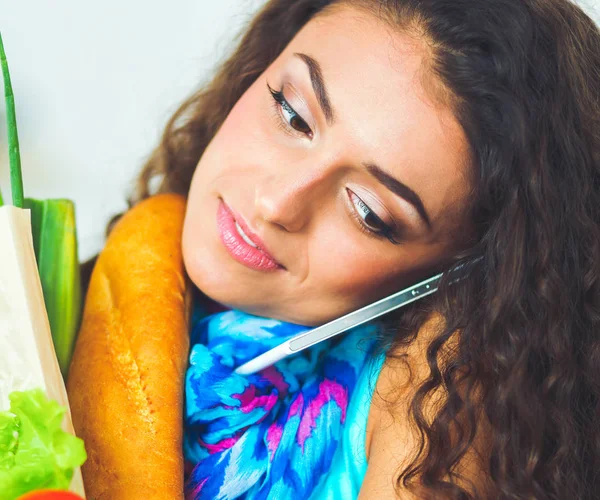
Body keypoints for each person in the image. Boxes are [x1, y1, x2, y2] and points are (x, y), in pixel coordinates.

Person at [81, 0, 600, 498]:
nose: (277, 202)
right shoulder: (86, 280)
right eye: (292, 114)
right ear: (260, 65)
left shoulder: (435, 414)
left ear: (463, 276)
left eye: (369, 212)